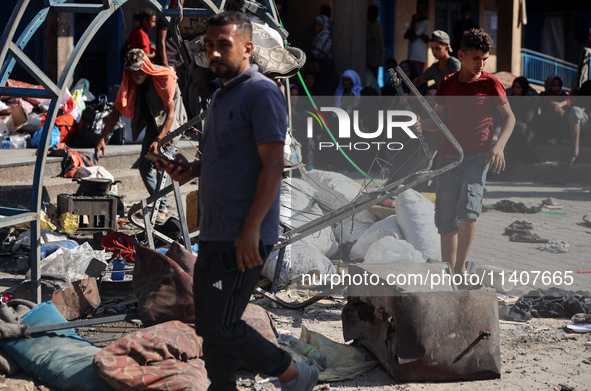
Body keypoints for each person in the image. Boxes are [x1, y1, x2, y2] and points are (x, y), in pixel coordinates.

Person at [157, 12, 319, 391]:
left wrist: (250, 230)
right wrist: (191, 169)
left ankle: (293, 374)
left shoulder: (261, 93)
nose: (214, 52)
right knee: (211, 323)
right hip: (215, 232)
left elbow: (272, 165)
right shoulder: (222, 96)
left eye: (223, 45)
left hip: (243, 236)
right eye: (209, 45)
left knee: (220, 323)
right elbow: (227, 157)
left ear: (247, 48)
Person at [420, 28, 515, 277]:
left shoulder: (491, 83)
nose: (481, 64)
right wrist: (420, 124)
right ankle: (448, 272)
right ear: (461, 55)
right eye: (476, 58)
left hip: (476, 157)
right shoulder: (448, 83)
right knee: (446, 219)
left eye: (485, 59)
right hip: (448, 158)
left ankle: (460, 269)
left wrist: (499, 146)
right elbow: (438, 120)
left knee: (469, 212)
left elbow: (509, 118)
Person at [94, 49, 187, 222]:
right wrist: (102, 137)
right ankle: (161, 205)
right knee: (144, 167)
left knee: (162, 163)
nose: (135, 74)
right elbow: (116, 112)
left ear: (145, 66)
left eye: (138, 70)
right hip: (153, 123)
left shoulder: (164, 78)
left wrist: (159, 140)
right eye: (131, 71)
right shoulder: (130, 82)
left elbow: (171, 113)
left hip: (171, 124)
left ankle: (160, 209)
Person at [502, 76, 540, 165]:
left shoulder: (529, 99)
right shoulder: (509, 99)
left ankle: (528, 157)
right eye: (513, 87)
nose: (515, 90)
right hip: (512, 126)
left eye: (518, 88)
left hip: (529, 129)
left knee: (521, 127)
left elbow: (528, 118)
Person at [413, 30, 460, 95]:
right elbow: (418, 80)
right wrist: (412, 91)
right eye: (432, 48)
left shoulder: (455, 65)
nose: (434, 52)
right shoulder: (434, 68)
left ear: (447, 48)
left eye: (438, 48)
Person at [539, 74, 571, 146]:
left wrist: (561, 104)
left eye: (558, 85)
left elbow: (569, 100)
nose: (555, 88)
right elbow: (548, 101)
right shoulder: (544, 94)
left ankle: (564, 138)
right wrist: (556, 106)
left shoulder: (562, 94)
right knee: (550, 111)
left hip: (561, 116)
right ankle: (553, 137)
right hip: (548, 118)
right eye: (553, 86)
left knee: (567, 113)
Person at [567, 80, 591, 165]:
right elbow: (576, 102)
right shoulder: (587, 85)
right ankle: (574, 153)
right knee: (575, 110)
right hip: (588, 120)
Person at [404, 0, 430, 77]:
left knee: (417, 77)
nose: (419, 11)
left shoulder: (425, 22)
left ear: (426, 9)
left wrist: (413, 22)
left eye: (422, 8)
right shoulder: (415, 23)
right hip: (411, 55)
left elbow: (412, 36)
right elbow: (406, 35)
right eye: (418, 8)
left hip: (418, 56)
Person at [156, 0, 183, 69]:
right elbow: (161, 41)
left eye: (181, 6)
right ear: (170, 3)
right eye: (176, 5)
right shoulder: (166, 19)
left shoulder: (176, 19)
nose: (178, 8)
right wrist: (165, 63)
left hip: (173, 59)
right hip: (167, 60)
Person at [366, 5, 385, 80]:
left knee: (372, 79)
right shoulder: (376, 26)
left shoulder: (373, 27)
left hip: (372, 59)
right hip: (374, 59)